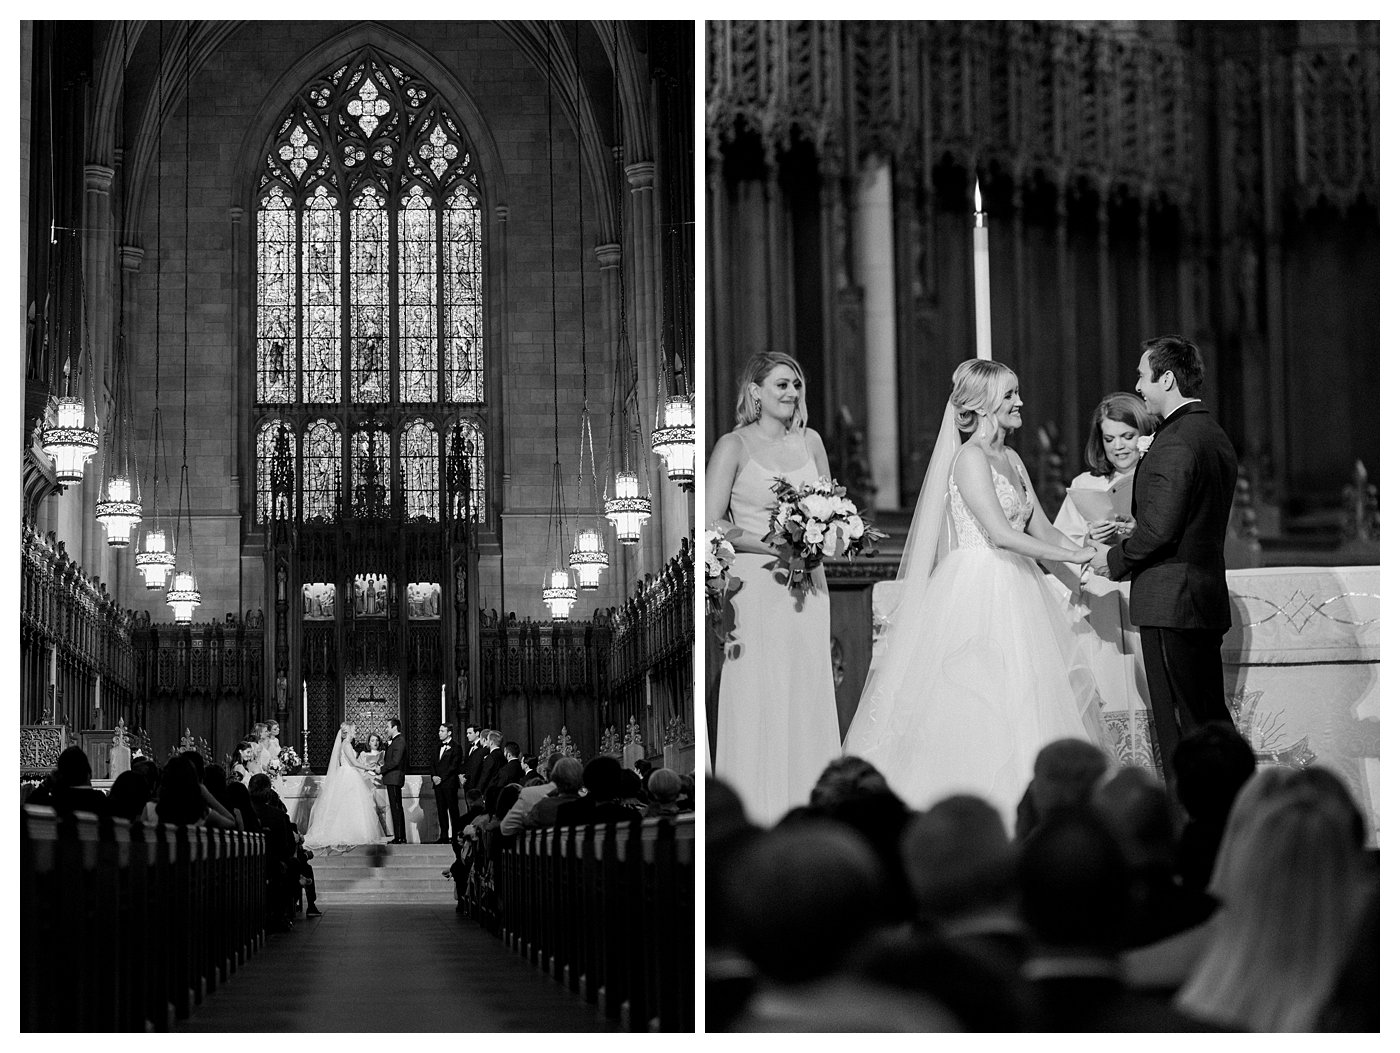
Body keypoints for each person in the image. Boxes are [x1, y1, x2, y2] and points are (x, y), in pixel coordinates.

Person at [844, 359, 1104, 824]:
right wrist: (1073, 559)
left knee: (1030, 698)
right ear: (983, 405)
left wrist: (1094, 562)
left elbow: (1042, 529)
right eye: (1009, 395)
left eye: (1017, 392)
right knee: (979, 702)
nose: (1020, 402)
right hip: (978, 587)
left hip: (1020, 587)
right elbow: (1001, 534)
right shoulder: (969, 458)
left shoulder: (1015, 458)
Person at [1092, 335, 1240, 785]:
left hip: (1172, 602)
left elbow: (1160, 530)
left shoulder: (1175, 441)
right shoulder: (1211, 432)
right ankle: (1227, 813)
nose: (1138, 385)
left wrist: (1113, 559)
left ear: (1167, 378)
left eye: (1142, 375)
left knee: (1183, 729)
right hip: (1199, 596)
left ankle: (1193, 822)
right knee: (1207, 721)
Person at [707, 351, 843, 826]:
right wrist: (775, 541)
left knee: (807, 686)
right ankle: (756, 807)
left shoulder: (811, 441)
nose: (791, 393)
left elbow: (831, 503)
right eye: (782, 384)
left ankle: (811, 806)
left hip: (808, 581)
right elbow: (712, 522)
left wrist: (828, 532)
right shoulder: (733, 445)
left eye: (797, 385)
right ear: (755, 391)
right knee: (762, 690)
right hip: (760, 585)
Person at [1049, 392, 1157, 755]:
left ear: (1143, 433)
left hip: (1142, 589)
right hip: (1101, 602)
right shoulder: (1085, 485)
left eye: (1127, 436)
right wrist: (1088, 536)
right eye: (1109, 439)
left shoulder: (1158, 477)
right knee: (1108, 682)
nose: (1118, 447)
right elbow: (1059, 547)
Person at [304, 723, 387, 849]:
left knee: (352, 804)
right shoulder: (346, 745)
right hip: (348, 775)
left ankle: (356, 831)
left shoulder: (347, 745)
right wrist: (368, 767)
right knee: (347, 804)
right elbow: (353, 763)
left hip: (350, 774)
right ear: (348, 731)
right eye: (354, 730)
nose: (355, 732)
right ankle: (348, 833)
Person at [430, 723, 464, 844]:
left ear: (449, 733)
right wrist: (434, 776)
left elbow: (454, 766)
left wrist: (441, 778)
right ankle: (443, 835)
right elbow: (433, 763)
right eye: (439, 730)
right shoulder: (436, 746)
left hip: (449, 783)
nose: (439, 733)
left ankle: (455, 836)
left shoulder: (456, 747)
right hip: (438, 784)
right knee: (441, 810)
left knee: (453, 810)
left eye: (442, 731)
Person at [377, 717, 408, 843]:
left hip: (394, 777)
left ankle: (400, 837)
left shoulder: (399, 741)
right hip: (391, 778)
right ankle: (399, 836)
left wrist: (382, 769)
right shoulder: (394, 741)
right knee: (396, 808)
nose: (386, 730)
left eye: (388, 727)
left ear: (395, 727)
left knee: (396, 808)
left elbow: (395, 761)